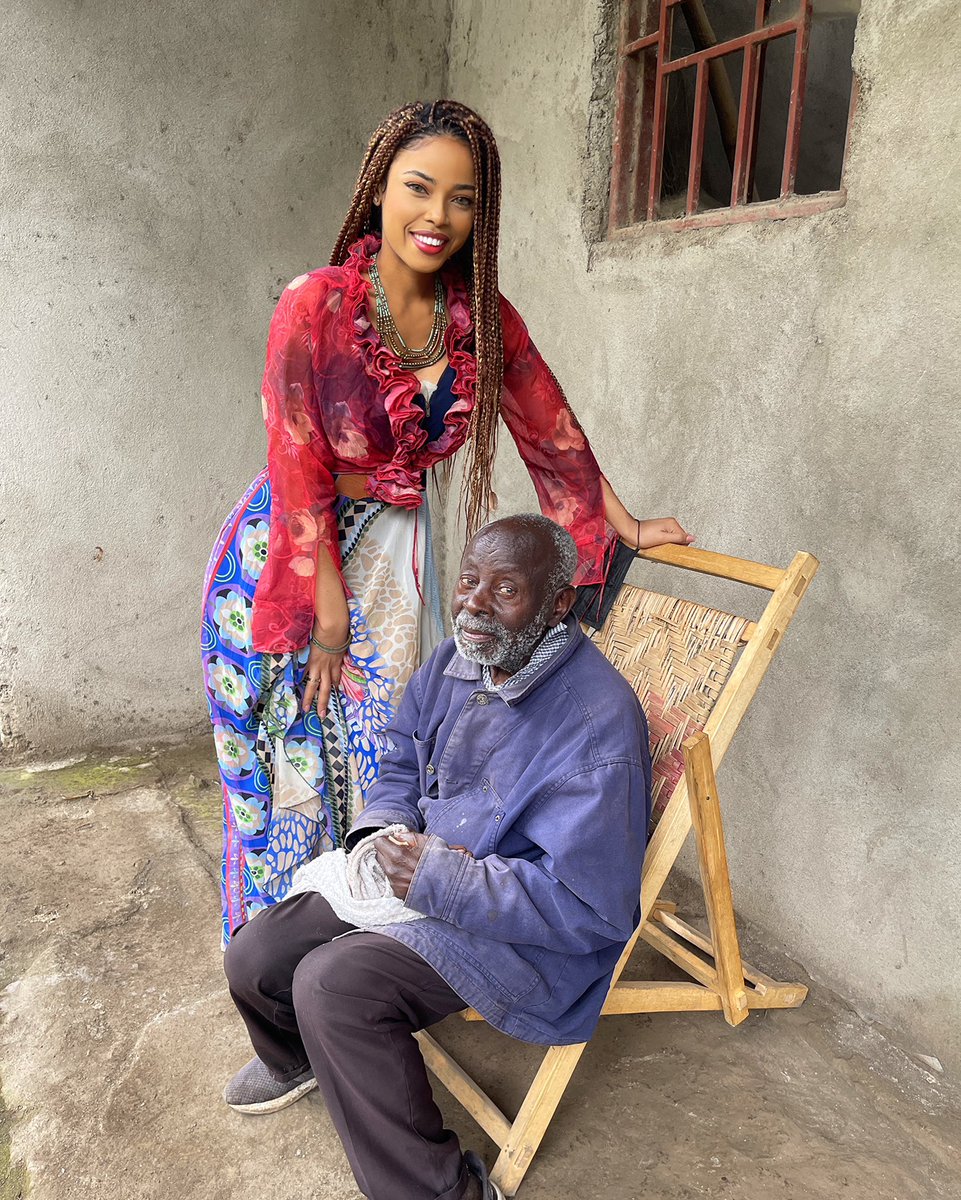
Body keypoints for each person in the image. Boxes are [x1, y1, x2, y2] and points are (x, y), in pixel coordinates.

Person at [201, 99, 690, 946]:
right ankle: (273, 966)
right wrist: (326, 613)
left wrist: (626, 525)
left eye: (461, 199)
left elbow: (551, 431)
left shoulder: (482, 321)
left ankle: (351, 955)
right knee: (294, 751)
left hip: (405, 561)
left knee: (382, 751)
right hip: (293, 555)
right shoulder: (313, 303)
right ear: (378, 186)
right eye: (418, 188)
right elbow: (295, 459)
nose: (437, 216)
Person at [223, 515, 653, 1200]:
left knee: (333, 987)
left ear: (558, 603)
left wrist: (443, 879)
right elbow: (398, 754)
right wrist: (383, 829)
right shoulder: (462, 654)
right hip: (419, 875)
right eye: (469, 581)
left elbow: (587, 912)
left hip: (517, 936)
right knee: (257, 953)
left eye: (506, 588)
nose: (475, 604)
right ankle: (299, 1058)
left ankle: (438, 1192)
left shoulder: (595, 730)